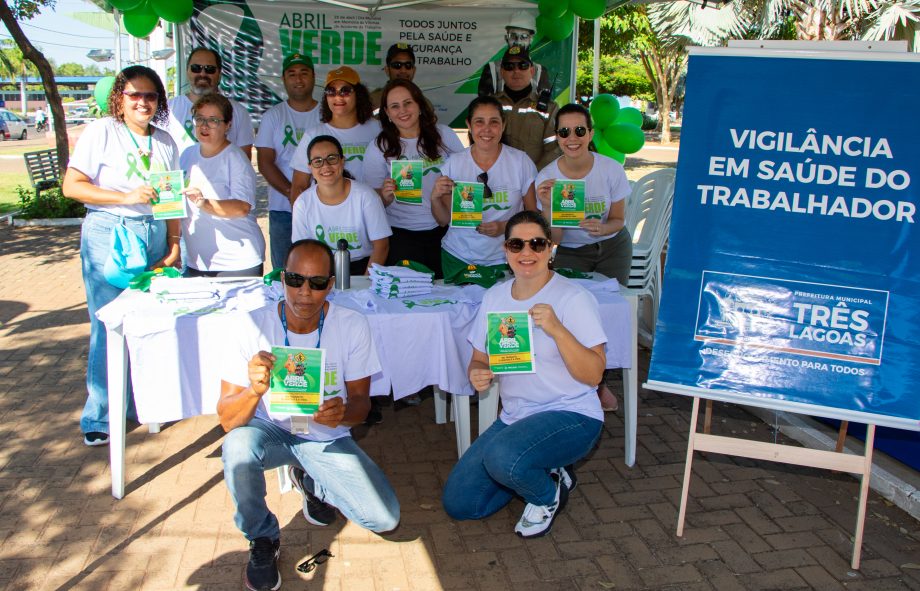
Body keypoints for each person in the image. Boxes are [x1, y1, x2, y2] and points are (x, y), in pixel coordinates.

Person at [219, 239, 400, 591]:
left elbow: (363, 404)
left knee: (385, 518)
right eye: (295, 280)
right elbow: (227, 420)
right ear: (281, 279)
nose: (304, 292)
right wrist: (253, 391)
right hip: (270, 431)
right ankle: (262, 539)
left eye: (317, 283)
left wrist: (343, 413)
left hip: (324, 436)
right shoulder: (249, 326)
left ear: (330, 285)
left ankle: (311, 478)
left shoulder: (351, 325)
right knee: (237, 448)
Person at [442, 210, 606, 538]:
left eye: (536, 243)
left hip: (571, 413)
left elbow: (594, 375)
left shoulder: (574, 298)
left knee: (503, 458)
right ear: (505, 250)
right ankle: (543, 467)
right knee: (461, 503)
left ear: (550, 249)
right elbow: (478, 359)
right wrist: (478, 374)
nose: (526, 252)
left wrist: (558, 330)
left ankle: (547, 495)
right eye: (517, 244)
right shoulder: (495, 297)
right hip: (517, 417)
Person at [62, 65, 180, 446]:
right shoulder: (102, 131)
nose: (142, 102)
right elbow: (72, 186)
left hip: (154, 234)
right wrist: (124, 196)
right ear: (119, 97)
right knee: (109, 324)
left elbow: (171, 197)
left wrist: (175, 241)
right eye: (134, 94)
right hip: (111, 233)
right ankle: (99, 416)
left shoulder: (165, 141)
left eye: (150, 95)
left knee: (148, 322)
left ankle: (141, 404)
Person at [536, 103, 632, 412]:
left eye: (580, 130)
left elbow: (619, 219)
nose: (572, 138)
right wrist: (549, 208)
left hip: (613, 248)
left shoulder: (610, 169)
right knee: (576, 319)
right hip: (572, 254)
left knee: (610, 313)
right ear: (557, 136)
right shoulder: (547, 178)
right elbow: (556, 241)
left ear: (590, 133)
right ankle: (586, 382)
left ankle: (601, 381)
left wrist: (604, 227)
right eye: (564, 132)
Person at [363, 79, 464, 277]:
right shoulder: (379, 146)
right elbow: (370, 200)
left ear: (419, 105)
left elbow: (464, 178)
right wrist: (384, 196)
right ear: (388, 113)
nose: (403, 110)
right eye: (395, 106)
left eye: (408, 103)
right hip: (401, 235)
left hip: (444, 231)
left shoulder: (445, 135)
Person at [431, 95, 536, 282]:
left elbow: (534, 215)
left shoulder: (520, 162)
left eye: (494, 122)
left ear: (503, 125)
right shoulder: (454, 163)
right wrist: (435, 198)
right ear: (469, 125)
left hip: (505, 258)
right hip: (458, 257)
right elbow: (443, 220)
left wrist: (505, 227)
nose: (486, 129)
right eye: (479, 122)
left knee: (502, 312)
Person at [179, 94, 265, 277]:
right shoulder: (187, 155)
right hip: (198, 261)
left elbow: (242, 207)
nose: (204, 126)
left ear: (228, 125)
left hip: (237, 262)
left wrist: (205, 203)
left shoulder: (235, 158)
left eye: (213, 120)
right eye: (200, 118)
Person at [256, 53, 322, 271]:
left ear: (313, 77)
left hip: (324, 209)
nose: (298, 79)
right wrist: (291, 192)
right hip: (282, 210)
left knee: (322, 271)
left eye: (304, 73)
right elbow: (265, 162)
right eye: (292, 74)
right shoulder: (273, 115)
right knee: (284, 273)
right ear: (284, 79)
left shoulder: (326, 114)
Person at [292, 135, 391, 275]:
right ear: (310, 167)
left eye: (332, 158)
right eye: (317, 161)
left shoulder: (366, 196)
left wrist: (365, 283)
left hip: (364, 268)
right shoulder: (302, 203)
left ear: (342, 161)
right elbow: (301, 250)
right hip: (321, 270)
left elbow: (382, 245)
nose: (325, 166)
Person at [288, 66, 380, 200]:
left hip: (373, 212)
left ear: (358, 94)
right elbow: (299, 185)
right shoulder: (313, 135)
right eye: (331, 91)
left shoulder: (378, 129)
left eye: (345, 91)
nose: (338, 96)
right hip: (329, 217)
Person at [166, 46, 255, 159]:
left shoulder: (238, 112)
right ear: (187, 71)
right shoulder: (169, 108)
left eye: (209, 69)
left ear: (219, 74)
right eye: (196, 68)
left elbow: (244, 159)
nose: (202, 74)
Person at [493, 46, 560, 170]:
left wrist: (534, 176)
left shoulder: (549, 108)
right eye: (509, 66)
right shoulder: (490, 105)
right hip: (496, 180)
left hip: (533, 180)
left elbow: (554, 149)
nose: (516, 71)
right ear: (502, 72)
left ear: (532, 71)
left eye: (522, 65)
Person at [477, 10, 550, 98]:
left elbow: (546, 107)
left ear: (531, 39)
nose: (518, 41)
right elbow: (483, 106)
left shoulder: (540, 71)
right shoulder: (492, 70)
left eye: (524, 37)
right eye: (513, 36)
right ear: (506, 38)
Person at [369, 43, 418, 110]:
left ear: (414, 70)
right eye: (397, 65)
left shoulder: (424, 104)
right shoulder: (371, 102)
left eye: (408, 65)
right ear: (387, 70)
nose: (403, 70)